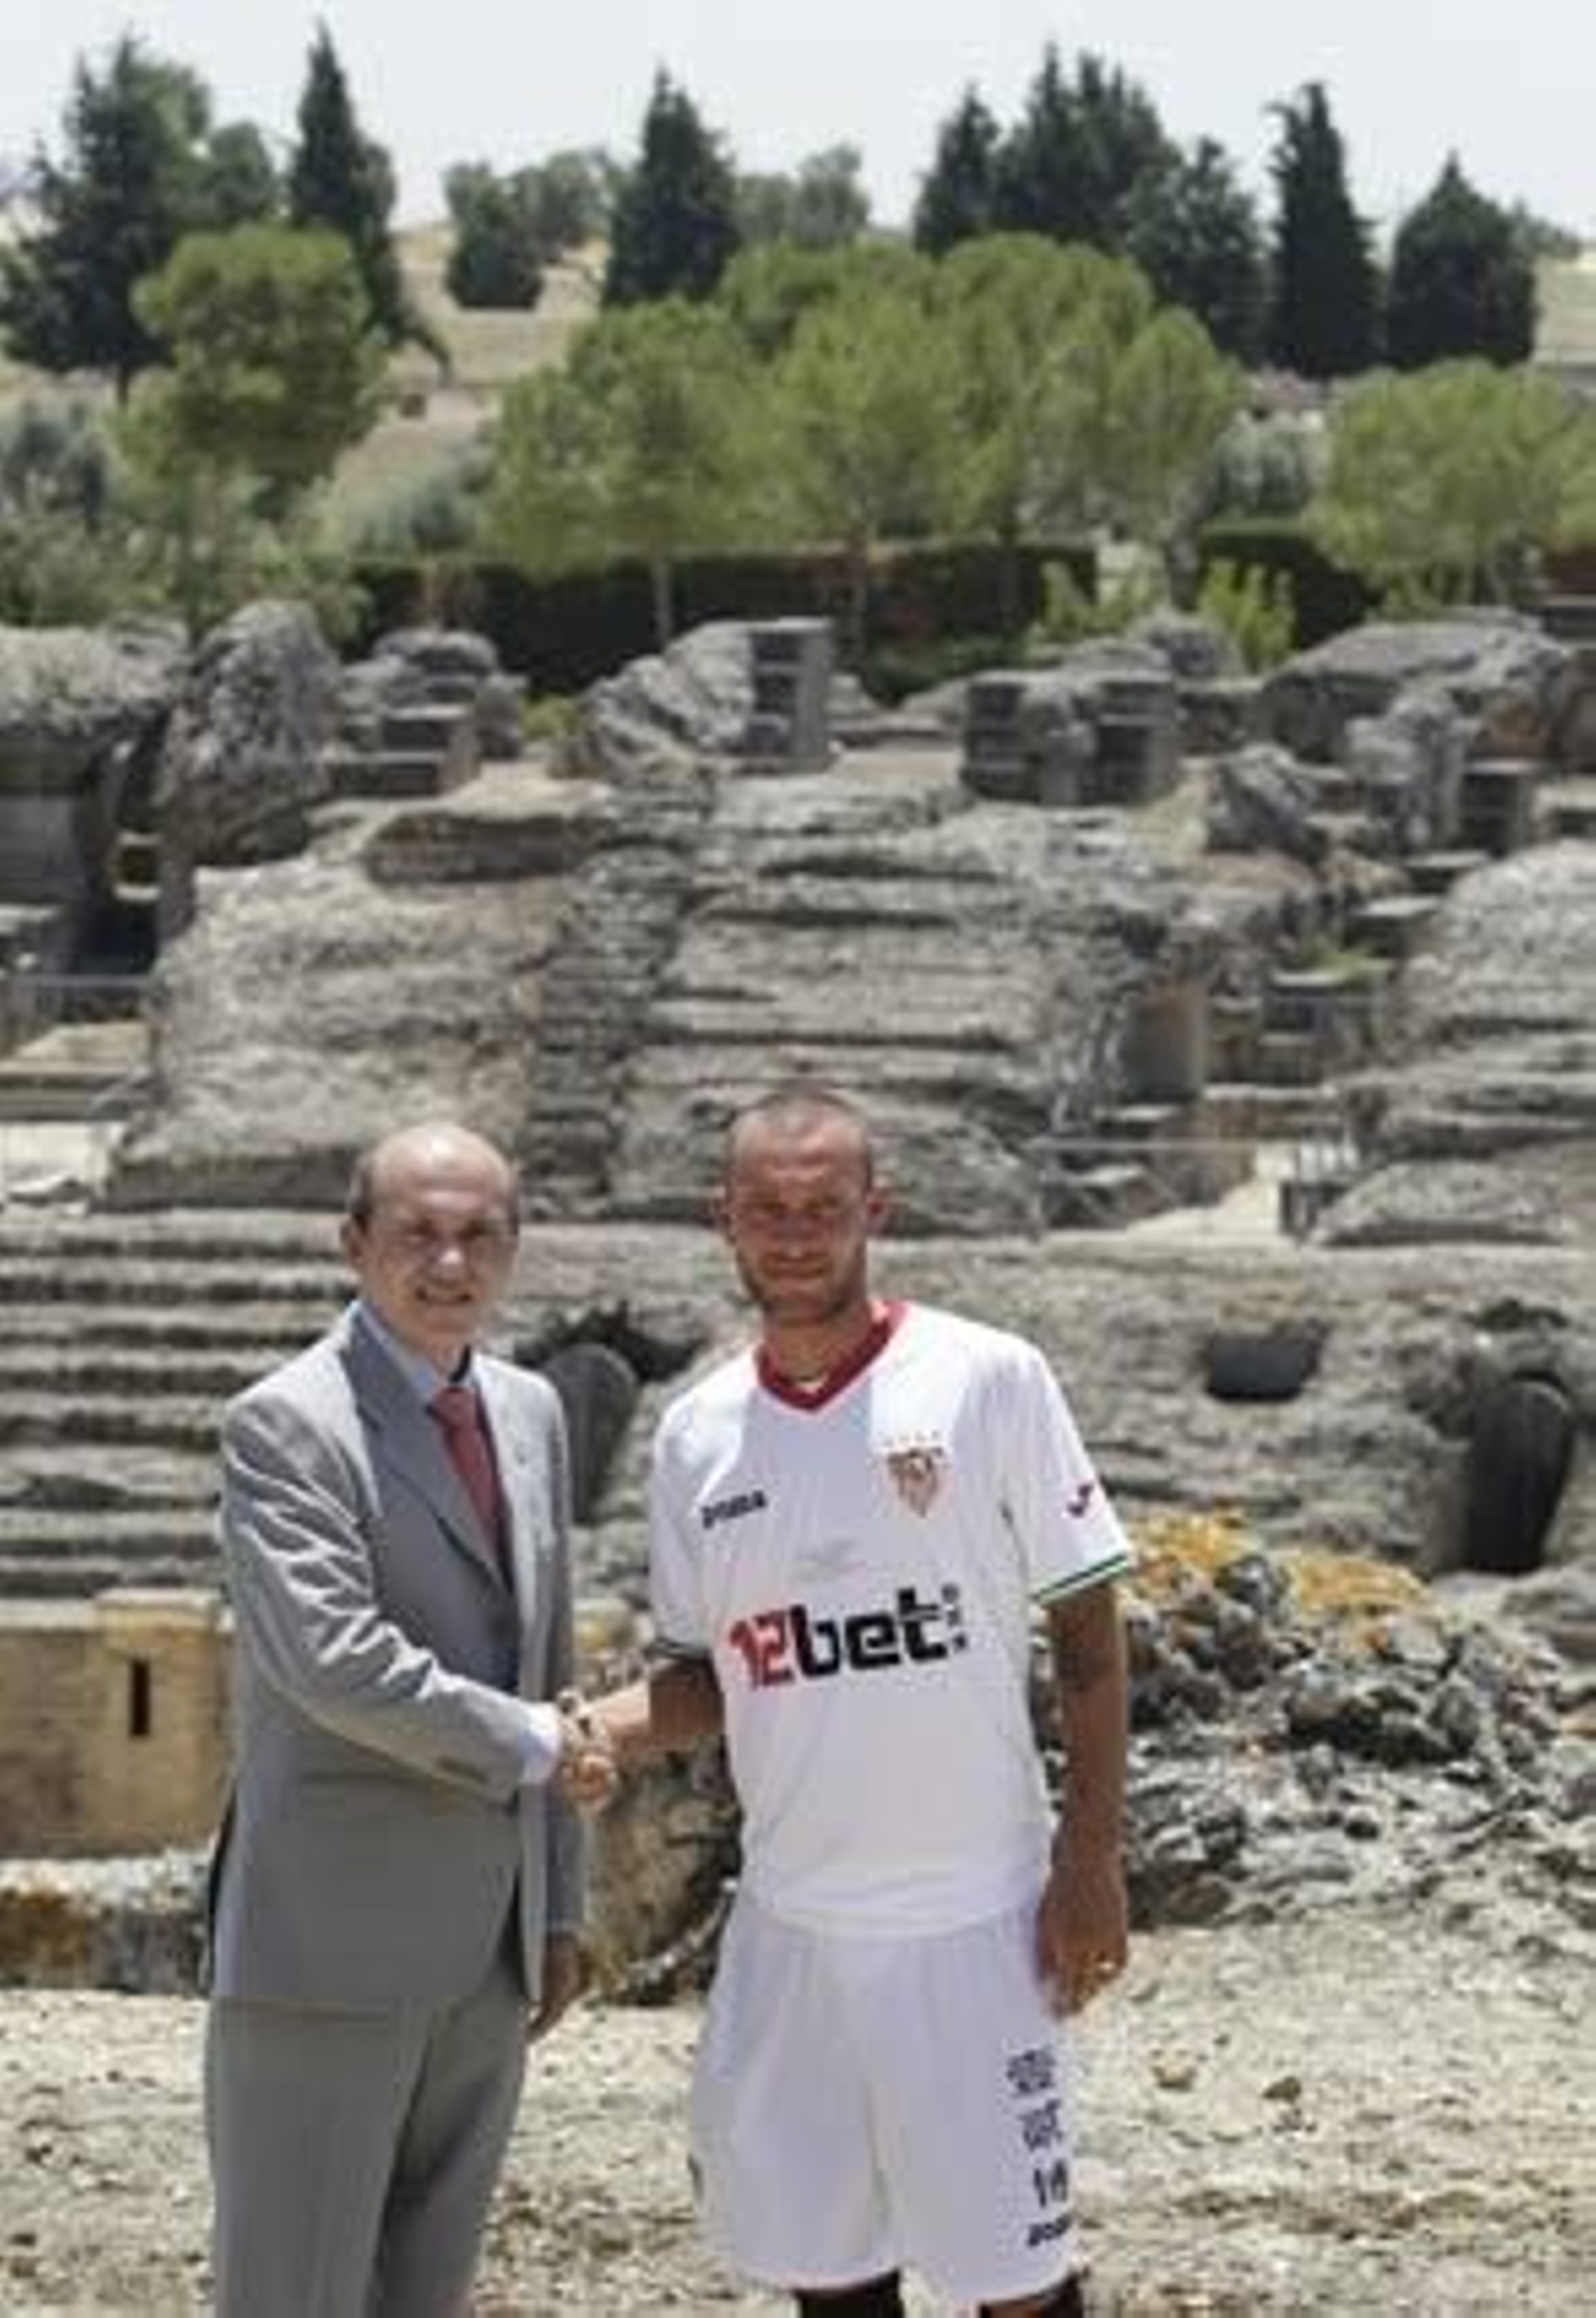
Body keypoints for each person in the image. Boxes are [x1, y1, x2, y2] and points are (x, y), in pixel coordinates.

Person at [595, 1084, 1132, 2318]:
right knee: (830, 2278)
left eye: (823, 1206)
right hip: (793, 1924)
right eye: (768, 1208)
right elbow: (713, 1673)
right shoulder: (695, 1436)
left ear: (872, 1210)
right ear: (724, 1217)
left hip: (972, 1917)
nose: (795, 1234)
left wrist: (1090, 1856)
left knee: (1018, 2285)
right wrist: (592, 1730)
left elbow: (1088, 1641)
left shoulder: (987, 1377)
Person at [204, 1119, 612, 2318]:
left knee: (427, 2291)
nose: (450, 1262)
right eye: (417, 1233)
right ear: (353, 1243)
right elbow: (332, 1660)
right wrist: (534, 1742)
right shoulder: (288, 1423)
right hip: (328, 1947)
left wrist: (557, 1905)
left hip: (487, 1956)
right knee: (294, 2293)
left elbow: (548, 1657)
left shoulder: (529, 1410)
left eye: (480, 1233)